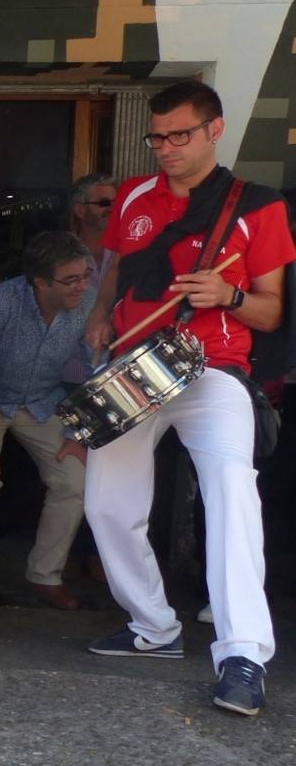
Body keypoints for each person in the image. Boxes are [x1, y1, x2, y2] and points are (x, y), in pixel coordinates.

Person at [82, 81, 294, 717]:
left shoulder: (256, 205)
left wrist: (226, 296)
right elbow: (117, 269)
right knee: (106, 503)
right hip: (134, 368)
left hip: (210, 368)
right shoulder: (136, 196)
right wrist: (99, 316)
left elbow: (271, 308)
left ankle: (243, 654)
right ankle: (154, 625)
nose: (168, 148)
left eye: (181, 135)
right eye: (159, 136)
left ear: (214, 130)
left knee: (232, 490)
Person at [0, 231, 93, 610]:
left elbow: (95, 369)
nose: (82, 286)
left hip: (43, 400)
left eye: (85, 276)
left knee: (75, 479)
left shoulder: (87, 302)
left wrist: (81, 431)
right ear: (41, 282)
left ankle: (46, 575)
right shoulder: (3, 302)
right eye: (71, 279)